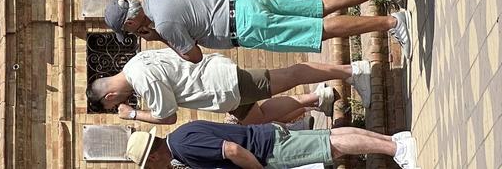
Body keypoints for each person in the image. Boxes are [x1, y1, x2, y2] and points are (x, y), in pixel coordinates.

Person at [103, 0, 415, 63]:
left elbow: (194, 56)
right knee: (319, 6)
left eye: (129, 31)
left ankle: (391, 23)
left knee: (317, 31)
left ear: (129, 24)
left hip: (244, 27)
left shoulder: (163, 25)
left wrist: (159, 38)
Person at [87, 49, 375, 126]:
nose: (117, 106)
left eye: (111, 105)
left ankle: (352, 72)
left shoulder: (142, 80)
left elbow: (168, 116)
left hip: (223, 85)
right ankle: (318, 98)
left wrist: (133, 115)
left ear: (110, 96)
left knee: (290, 74)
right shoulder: (136, 62)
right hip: (220, 91)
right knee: (257, 118)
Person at [126, 122, 421, 169]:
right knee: (328, 137)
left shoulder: (183, 147)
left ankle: (397, 149)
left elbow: (231, 150)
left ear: (152, 157)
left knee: (330, 146)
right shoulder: (181, 134)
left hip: (266, 150)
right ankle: (393, 142)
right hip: (265, 138)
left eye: (147, 166)